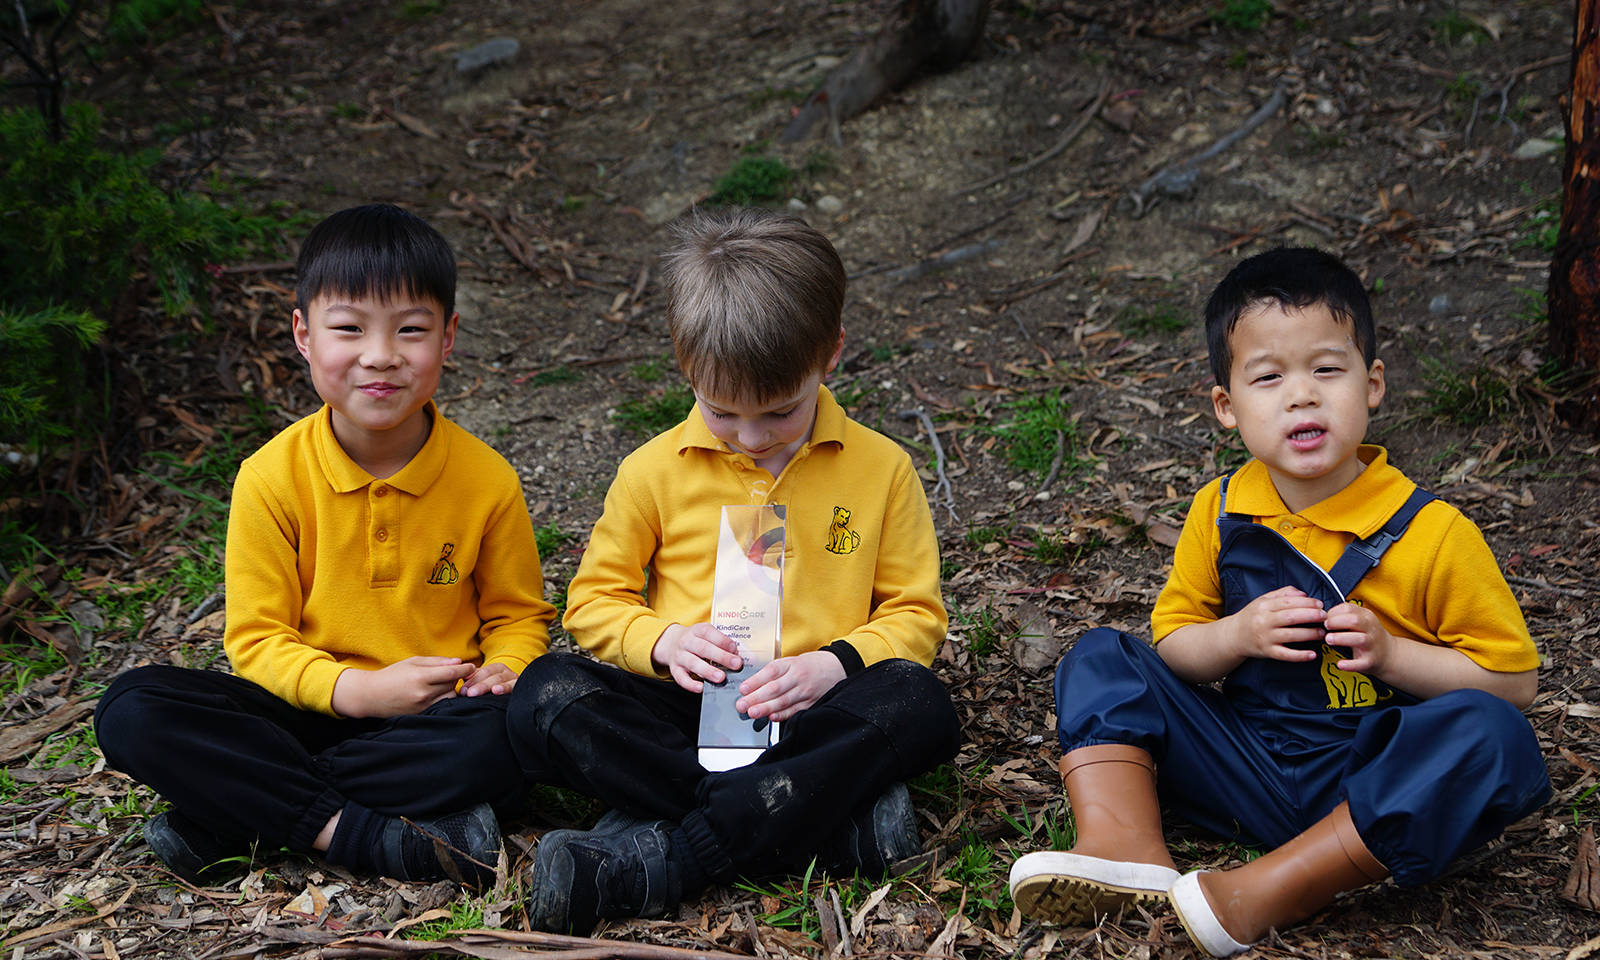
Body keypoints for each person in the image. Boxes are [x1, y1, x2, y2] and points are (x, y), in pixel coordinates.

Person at [1007, 247, 1549, 956]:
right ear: (1227, 407)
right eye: (1269, 378)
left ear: (1372, 383)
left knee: (1492, 738)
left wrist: (1394, 655)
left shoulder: (1433, 533)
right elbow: (1175, 646)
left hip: (1365, 782)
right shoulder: (1223, 509)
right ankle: (1125, 844)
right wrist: (1233, 636)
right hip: (1245, 759)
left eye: (1328, 369)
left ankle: (1271, 889)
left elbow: (1514, 684)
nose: (1302, 395)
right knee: (1103, 656)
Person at [507, 207, 961, 934]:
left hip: (814, 715)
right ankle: (828, 821)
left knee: (920, 701)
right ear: (685, 367)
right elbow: (593, 601)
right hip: (686, 714)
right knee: (543, 696)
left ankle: (664, 858)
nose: (751, 438)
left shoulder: (882, 469)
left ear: (831, 354)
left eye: (781, 413)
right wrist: (662, 642)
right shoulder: (651, 471)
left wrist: (833, 664)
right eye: (721, 412)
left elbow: (916, 615)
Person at [94, 203, 556, 886]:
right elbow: (256, 643)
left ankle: (231, 816)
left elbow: (517, 615)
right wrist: (358, 690)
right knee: (131, 707)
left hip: (434, 719)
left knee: (512, 734)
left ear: (448, 337)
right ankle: (357, 834)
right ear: (304, 335)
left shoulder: (485, 479)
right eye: (349, 329)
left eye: (411, 330)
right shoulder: (271, 478)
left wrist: (507, 669)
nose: (380, 355)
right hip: (305, 713)